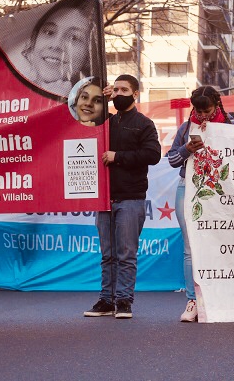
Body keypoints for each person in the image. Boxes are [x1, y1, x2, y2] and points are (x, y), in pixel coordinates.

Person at [83, 74, 161, 319]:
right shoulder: (105, 121)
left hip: (130, 198)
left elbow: (153, 154)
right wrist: (99, 99)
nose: (117, 94)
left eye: (123, 89)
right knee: (108, 255)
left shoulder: (144, 124)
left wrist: (119, 156)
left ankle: (124, 301)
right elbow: (81, 116)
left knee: (126, 254)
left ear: (135, 94)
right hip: (104, 198)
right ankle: (106, 300)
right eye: (114, 90)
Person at [166, 86, 234, 322]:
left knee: (224, 243)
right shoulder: (186, 129)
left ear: (217, 105)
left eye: (207, 110)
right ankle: (193, 300)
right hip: (188, 189)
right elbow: (172, 161)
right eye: (199, 110)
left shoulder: (231, 126)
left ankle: (223, 298)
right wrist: (186, 149)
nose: (204, 115)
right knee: (190, 248)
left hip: (221, 192)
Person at [9, 0, 101, 99]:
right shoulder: (5, 101)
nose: (56, 45)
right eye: (49, 32)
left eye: (74, 37)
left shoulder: (93, 109)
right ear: (34, 40)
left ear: (88, 54)